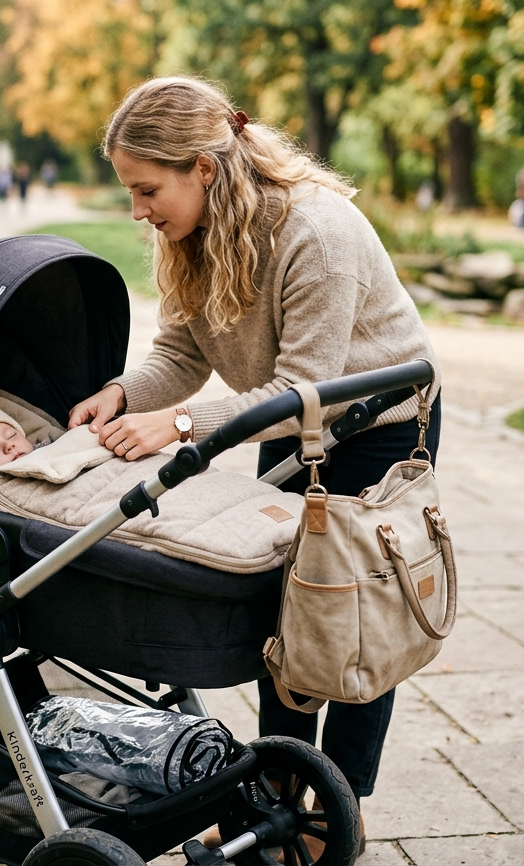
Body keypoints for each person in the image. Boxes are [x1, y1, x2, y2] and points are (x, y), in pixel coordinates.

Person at [66, 77, 442, 847]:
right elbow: (180, 352)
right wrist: (119, 393)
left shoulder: (318, 232)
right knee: (287, 615)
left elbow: (309, 385)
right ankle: (279, 794)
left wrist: (176, 426)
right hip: (287, 418)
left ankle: (339, 812)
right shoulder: (188, 235)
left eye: (146, 190)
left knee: (355, 617)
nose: (138, 211)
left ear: (203, 168)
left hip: (376, 423)